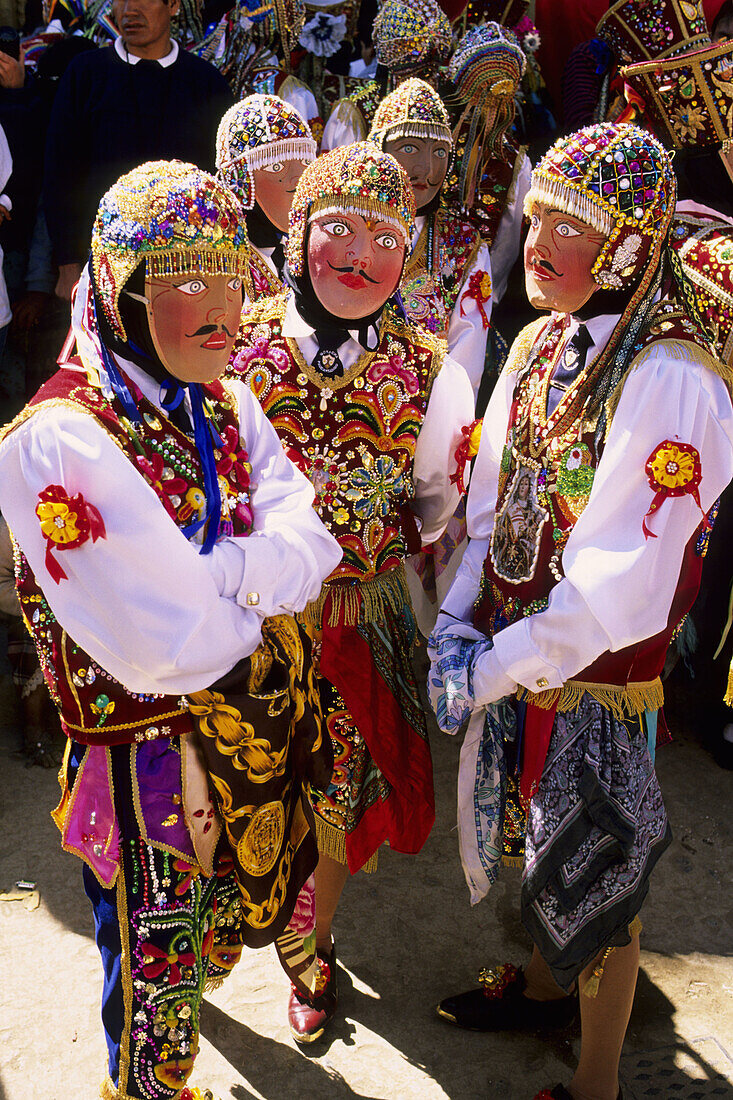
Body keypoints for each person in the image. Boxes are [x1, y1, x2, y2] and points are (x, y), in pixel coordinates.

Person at [0, 159, 341, 1100]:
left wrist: (225, 575)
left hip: (242, 735)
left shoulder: (221, 399)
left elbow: (312, 536)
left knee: (218, 926)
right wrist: (256, 586)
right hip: (141, 750)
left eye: (231, 274)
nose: (221, 306)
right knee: (151, 970)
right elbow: (166, 643)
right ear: (117, 288)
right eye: (185, 280)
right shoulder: (59, 438)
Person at [428, 122, 733, 1100]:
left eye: (574, 221)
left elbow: (616, 589)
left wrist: (482, 664)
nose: (540, 233)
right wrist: (457, 617)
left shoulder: (669, 376)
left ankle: (596, 1079)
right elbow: (489, 503)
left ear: (631, 247)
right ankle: (538, 978)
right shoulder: (541, 339)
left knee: (598, 859)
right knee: (535, 832)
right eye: (542, 211)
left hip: (594, 678)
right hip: (523, 654)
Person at [227, 141, 475, 1043]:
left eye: (385, 236)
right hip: (247, 617)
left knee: (336, 789)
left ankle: (311, 942)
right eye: (339, 228)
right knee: (232, 776)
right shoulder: (235, 347)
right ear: (296, 236)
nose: (361, 255)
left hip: (357, 617)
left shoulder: (429, 369)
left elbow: (437, 499)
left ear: (406, 255)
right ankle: (219, 926)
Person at [43, 0, 233, 302]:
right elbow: (60, 173)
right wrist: (67, 263)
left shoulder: (206, 83)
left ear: (172, 5)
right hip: (101, 265)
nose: (130, 10)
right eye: (121, 0)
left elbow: (220, 181)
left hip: (183, 268)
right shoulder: (86, 74)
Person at [368, 78, 492, 395]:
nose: (428, 168)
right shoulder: (349, 227)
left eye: (440, 152)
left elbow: (467, 359)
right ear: (378, 149)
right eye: (409, 148)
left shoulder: (465, 246)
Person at [216, 93, 316, 301]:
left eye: (305, 163)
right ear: (240, 181)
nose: (297, 180)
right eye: (276, 166)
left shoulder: (310, 249)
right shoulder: (224, 264)